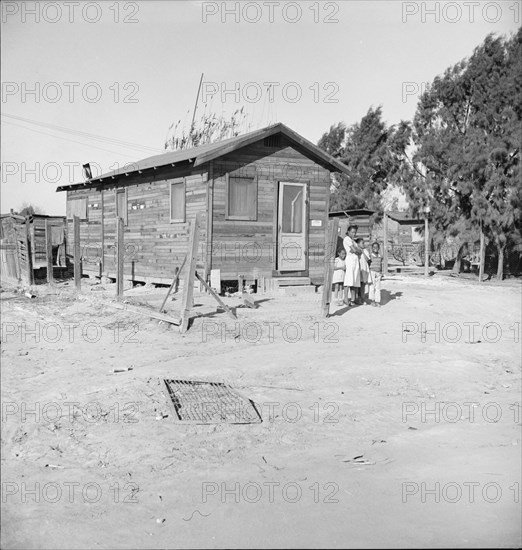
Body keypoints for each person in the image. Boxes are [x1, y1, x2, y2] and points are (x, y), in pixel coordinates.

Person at [343, 225, 361, 306]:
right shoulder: (347, 239)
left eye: (355, 232)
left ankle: (353, 299)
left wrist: (356, 250)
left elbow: (360, 251)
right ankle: (345, 298)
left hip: (355, 260)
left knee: (354, 279)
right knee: (348, 279)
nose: (354, 234)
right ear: (348, 232)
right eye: (352, 232)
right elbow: (354, 250)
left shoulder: (353, 241)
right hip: (350, 260)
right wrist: (355, 250)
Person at [368, 241, 383, 307]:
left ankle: (377, 301)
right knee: (372, 286)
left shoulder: (380, 256)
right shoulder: (370, 256)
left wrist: (381, 272)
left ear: (379, 248)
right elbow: (368, 264)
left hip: (378, 273)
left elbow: (380, 264)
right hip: (372, 272)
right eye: (374, 247)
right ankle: (372, 300)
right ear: (372, 248)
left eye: (377, 247)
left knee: (378, 287)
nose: (375, 248)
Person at [356, 238, 371, 304]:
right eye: (362, 243)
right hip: (359, 269)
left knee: (363, 285)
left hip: (364, 269)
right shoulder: (355, 250)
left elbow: (368, 259)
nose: (363, 244)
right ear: (358, 244)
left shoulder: (365, 251)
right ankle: (359, 298)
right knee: (358, 285)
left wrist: (363, 252)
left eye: (364, 243)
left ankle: (363, 298)